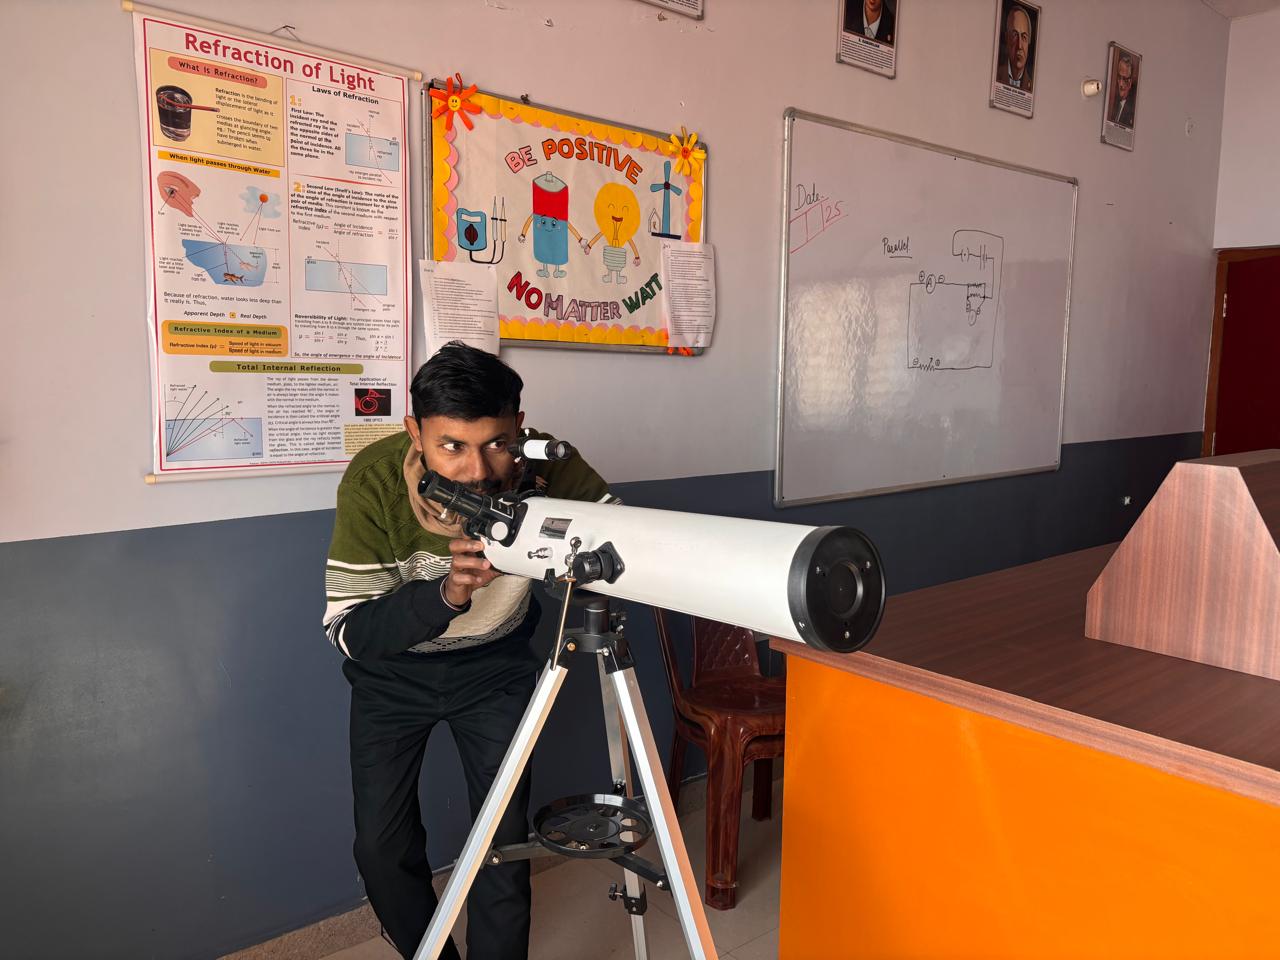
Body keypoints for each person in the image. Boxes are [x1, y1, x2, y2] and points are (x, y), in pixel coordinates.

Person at [323, 341, 614, 960]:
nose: (477, 471)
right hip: (392, 676)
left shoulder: (549, 465)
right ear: (415, 432)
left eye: (497, 444)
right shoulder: (373, 481)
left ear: (520, 427)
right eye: (451, 446)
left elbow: (624, 535)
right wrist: (445, 595)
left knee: (501, 843)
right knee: (381, 850)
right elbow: (349, 631)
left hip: (494, 669)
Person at [997, 3, 1034, 92]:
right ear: (1007, 38)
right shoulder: (997, 75)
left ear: (1029, 42)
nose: (1019, 46)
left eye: (1024, 37)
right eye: (1015, 35)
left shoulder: (1032, 86)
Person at [1110, 52, 1137, 128]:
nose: (1121, 84)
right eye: (1119, 77)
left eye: (1125, 79)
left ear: (1130, 82)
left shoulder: (1132, 110)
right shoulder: (1113, 103)